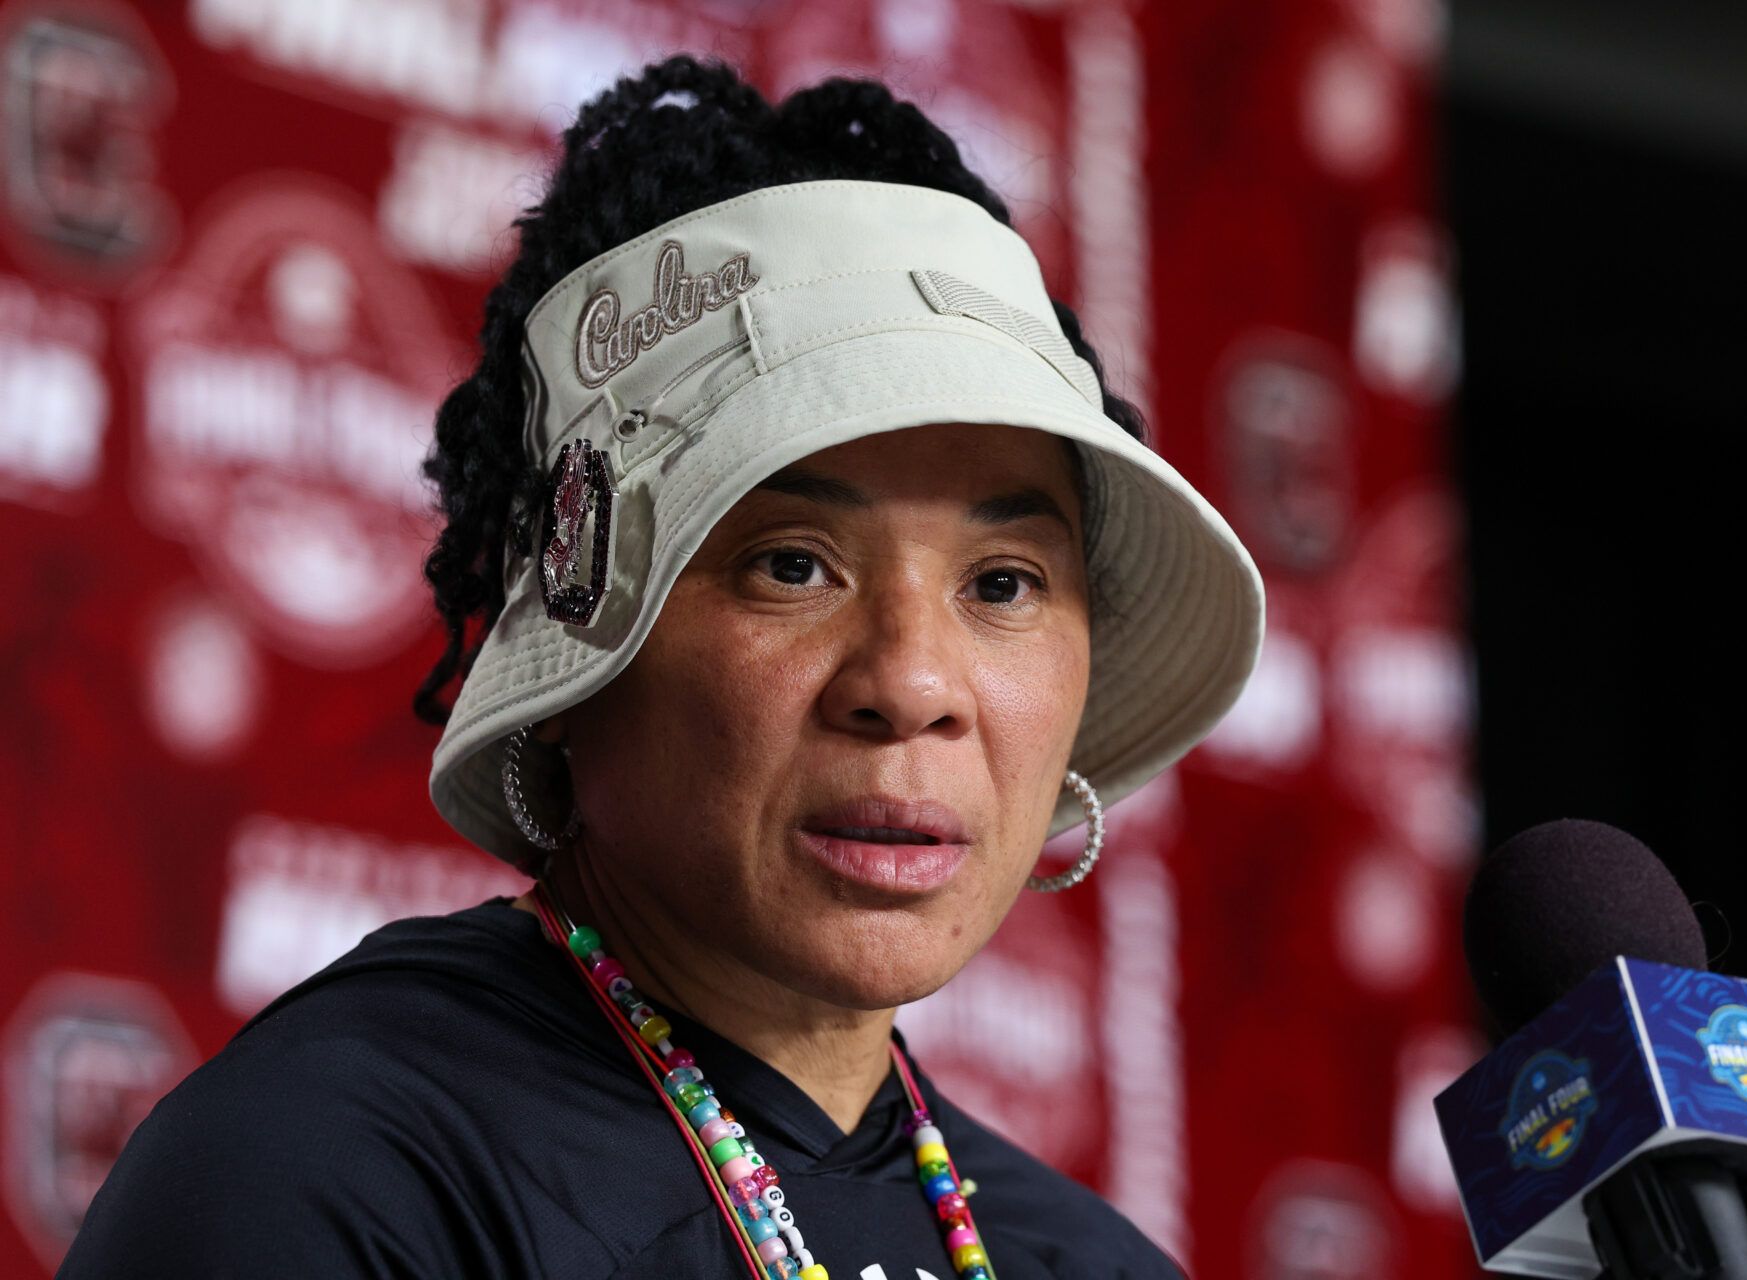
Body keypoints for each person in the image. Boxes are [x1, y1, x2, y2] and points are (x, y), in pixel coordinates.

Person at [58, 54, 1263, 1279]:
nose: (912, 685)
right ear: (574, 656)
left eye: (1001, 583)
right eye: (792, 565)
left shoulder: (1090, 1260)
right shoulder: (324, 1176)